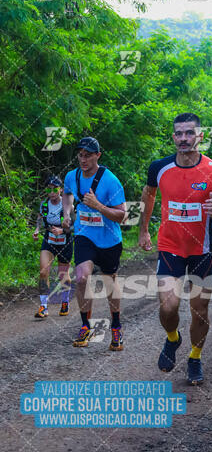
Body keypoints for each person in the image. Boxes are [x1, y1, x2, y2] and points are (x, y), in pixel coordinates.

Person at [139, 113, 212, 385]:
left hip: (202, 250)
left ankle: (195, 356)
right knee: (169, 306)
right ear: (173, 137)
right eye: (178, 133)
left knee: (199, 310)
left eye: (189, 133)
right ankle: (172, 338)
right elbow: (149, 194)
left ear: (200, 136)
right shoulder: (159, 167)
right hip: (170, 247)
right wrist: (143, 229)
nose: (183, 138)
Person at [62, 137, 127, 350]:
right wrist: (66, 213)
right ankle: (85, 326)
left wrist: (98, 205)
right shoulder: (72, 176)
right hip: (84, 235)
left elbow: (122, 216)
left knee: (110, 281)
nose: (83, 159)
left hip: (109, 239)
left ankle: (116, 327)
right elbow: (67, 194)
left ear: (98, 155)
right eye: (80, 155)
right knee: (81, 277)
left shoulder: (110, 181)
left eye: (88, 155)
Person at [32, 175, 73, 319]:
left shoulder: (68, 205)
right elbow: (39, 218)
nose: (52, 192)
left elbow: (76, 225)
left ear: (61, 190)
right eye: (49, 189)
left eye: (55, 189)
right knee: (43, 272)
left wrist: (63, 230)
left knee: (63, 275)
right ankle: (43, 306)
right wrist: (37, 229)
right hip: (49, 241)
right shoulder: (44, 204)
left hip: (65, 242)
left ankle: (65, 302)